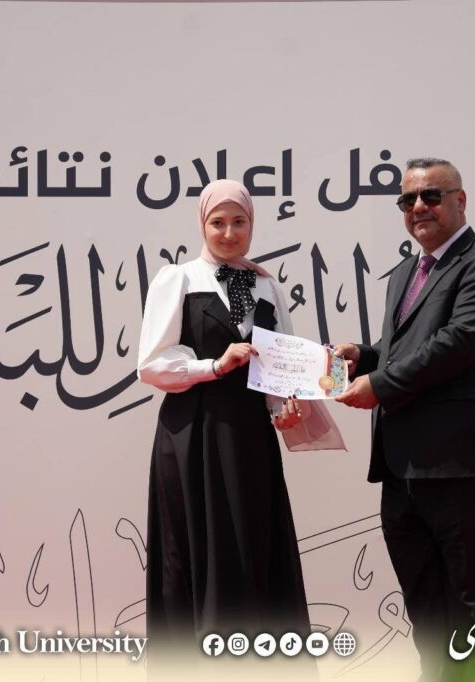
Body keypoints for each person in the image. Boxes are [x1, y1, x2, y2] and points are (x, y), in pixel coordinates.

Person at [137, 179, 344, 657]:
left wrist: (285, 409)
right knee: (201, 552)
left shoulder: (267, 285)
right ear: (202, 225)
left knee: (255, 547)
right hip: (193, 436)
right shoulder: (178, 279)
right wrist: (214, 365)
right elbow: (151, 365)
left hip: (250, 439)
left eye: (239, 222)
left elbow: (283, 365)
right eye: (218, 222)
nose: (229, 233)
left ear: (252, 225)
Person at [335, 158, 475, 680]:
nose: (419, 207)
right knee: (427, 616)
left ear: (460, 201)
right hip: (403, 475)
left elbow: (456, 343)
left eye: (431, 196)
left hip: (466, 469)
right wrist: (364, 358)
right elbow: (405, 350)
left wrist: (380, 385)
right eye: (408, 199)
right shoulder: (404, 274)